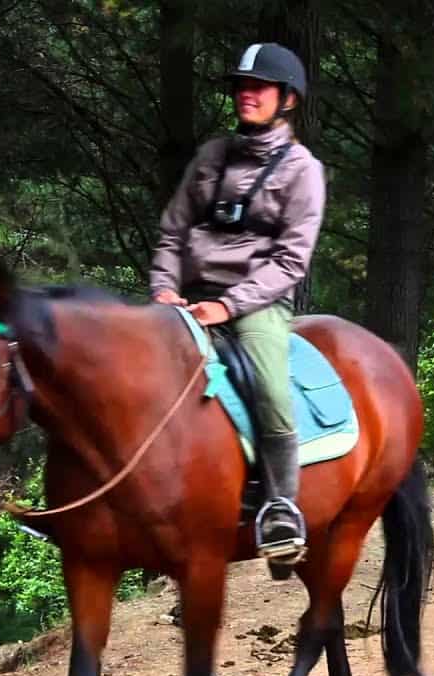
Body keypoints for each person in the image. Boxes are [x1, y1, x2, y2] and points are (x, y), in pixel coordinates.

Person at [149, 42, 325, 566]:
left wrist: (228, 306)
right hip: (183, 300)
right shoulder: (210, 158)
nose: (246, 94)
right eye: (241, 86)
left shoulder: (302, 171)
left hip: (256, 307)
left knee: (269, 388)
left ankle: (280, 508)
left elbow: (292, 262)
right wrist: (163, 288)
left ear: (287, 99)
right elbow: (172, 233)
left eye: (259, 87)